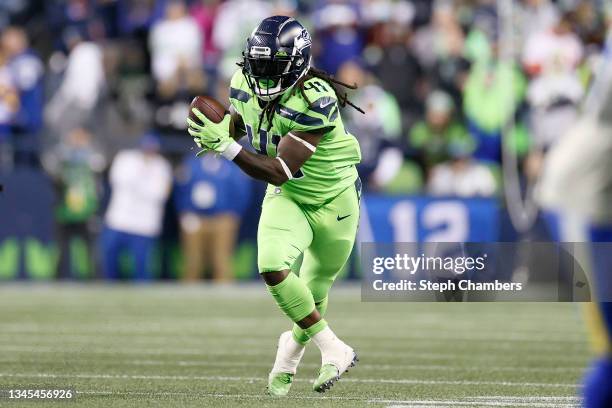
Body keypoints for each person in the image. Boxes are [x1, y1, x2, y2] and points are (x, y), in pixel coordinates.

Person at [187, 16, 361, 395]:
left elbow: (281, 168)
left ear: (297, 64)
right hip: (291, 197)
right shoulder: (239, 84)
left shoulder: (317, 98)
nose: (262, 78)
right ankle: (333, 347)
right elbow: (244, 122)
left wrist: (228, 148)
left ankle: (289, 353)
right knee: (271, 265)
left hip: (334, 199)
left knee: (314, 291)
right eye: (257, 67)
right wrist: (220, 130)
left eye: (272, 69)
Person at [101, 133, 172, 280]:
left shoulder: (162, 166)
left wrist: (139, 184)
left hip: (144, 224)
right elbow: (118, 181)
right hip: (119, 219)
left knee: (142, 264)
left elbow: (160, 194)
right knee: (108, 257)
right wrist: (145, 184)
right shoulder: (125, 159)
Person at [174, 152, 251, 282]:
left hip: (222, 218)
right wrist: (184, 212)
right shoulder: (191, 165)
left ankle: (225, 296)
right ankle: (189, 295)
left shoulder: (230, 167)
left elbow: (242, 193)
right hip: (195, 218)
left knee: (221, 259)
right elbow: (180, 190)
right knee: (193, 260)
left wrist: (234, 214)